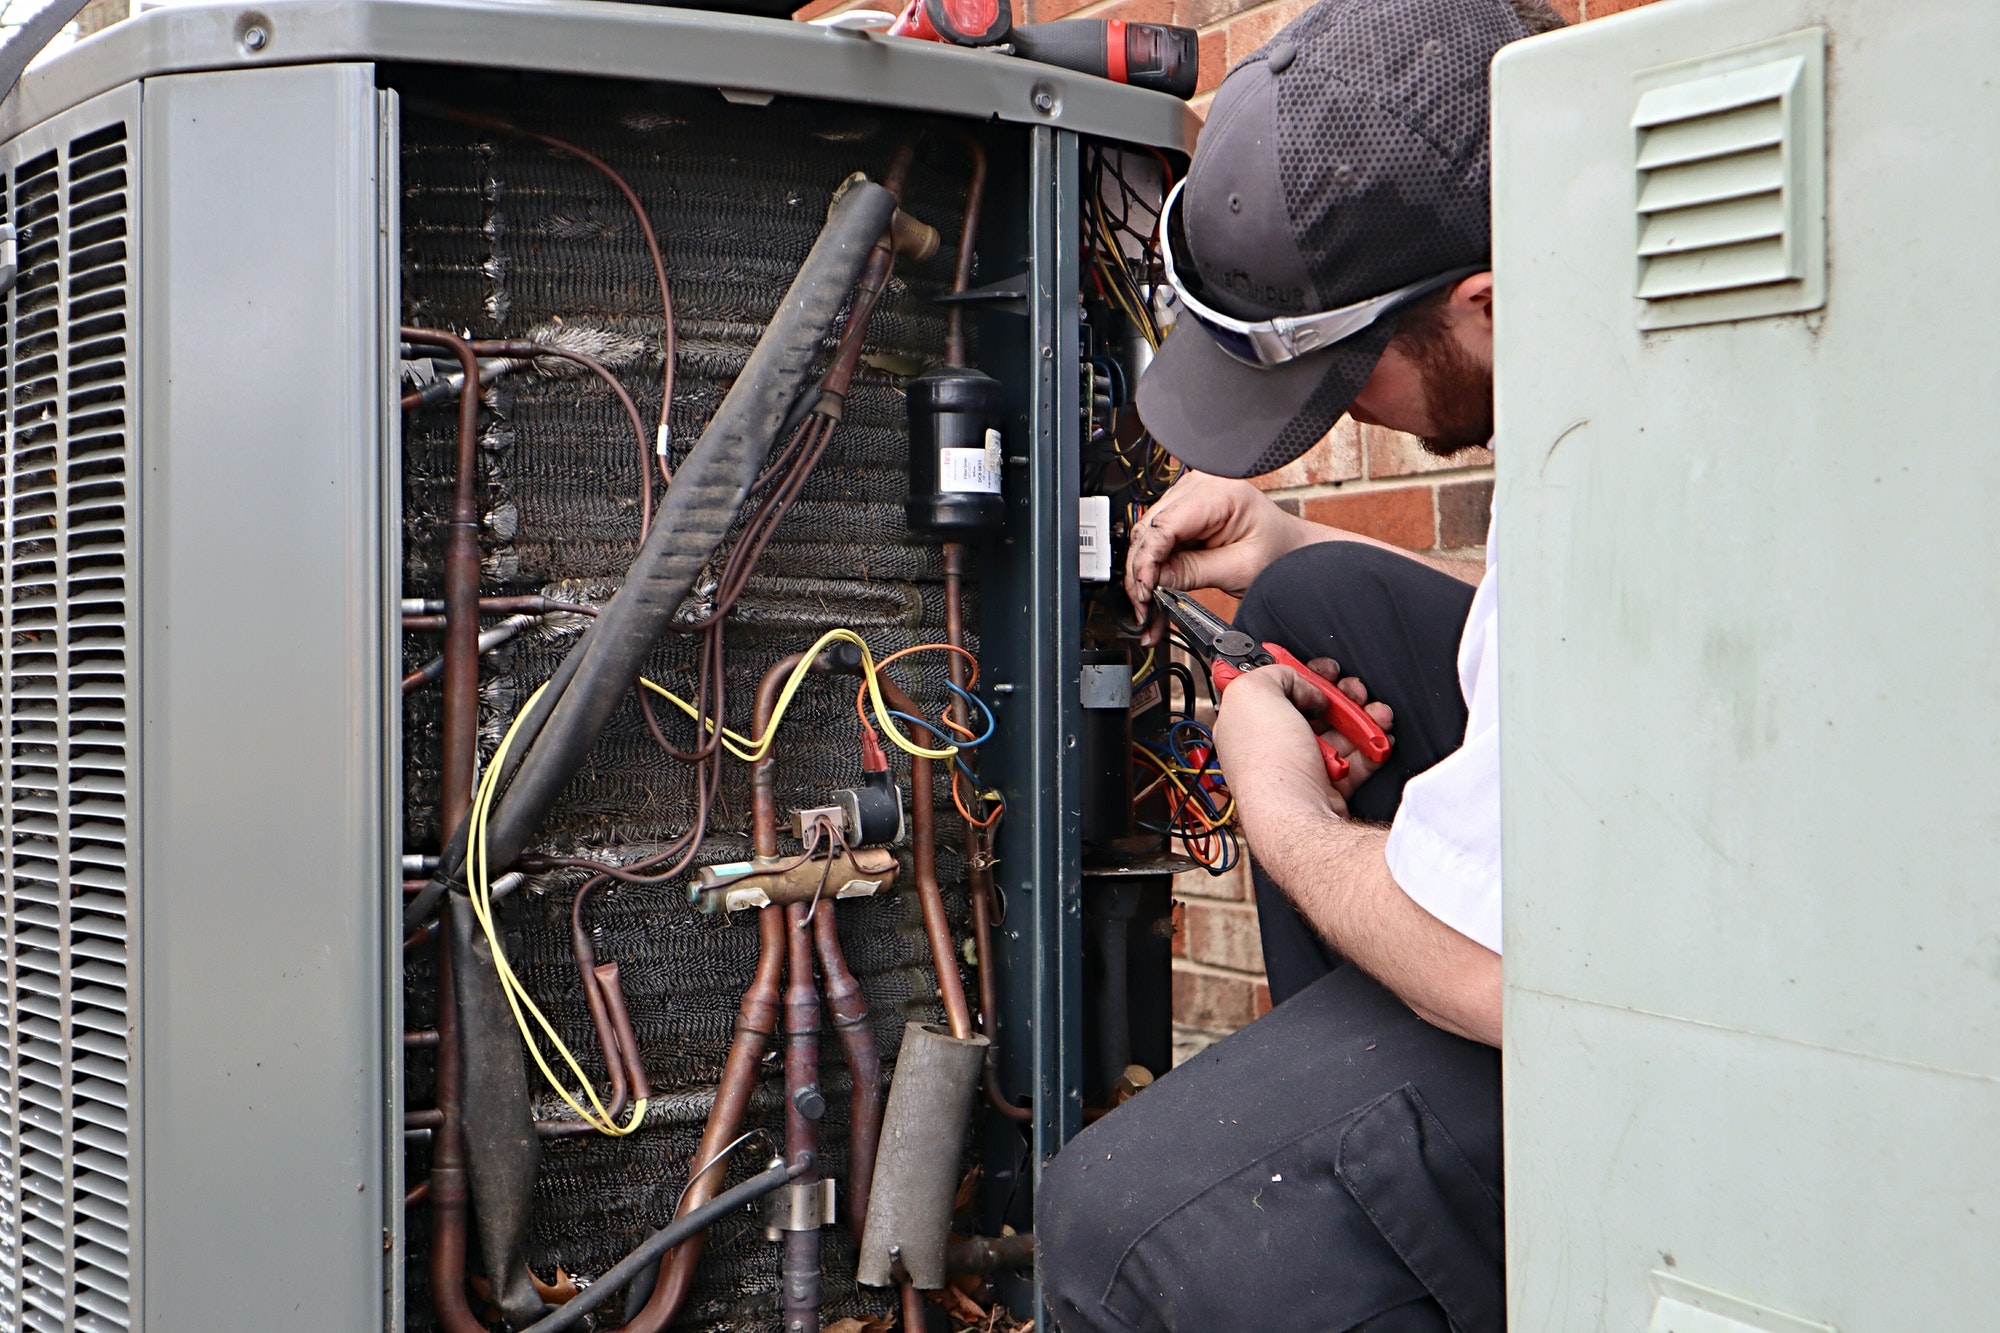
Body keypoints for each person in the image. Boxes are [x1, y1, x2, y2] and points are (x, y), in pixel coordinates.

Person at [1035, 0, 1568, 1329]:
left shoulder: (1610, 473)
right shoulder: (1609, 370)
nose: (1337, 424)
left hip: (1671, 1023)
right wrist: (1286, 533)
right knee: (1314, 589)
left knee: (1111, 1225)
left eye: (1345, 384)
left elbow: (1506, 971)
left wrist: (1280, 808)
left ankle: (1385, 1203)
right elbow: (1558, 639)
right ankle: (1369, 1122)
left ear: (1486, 303)